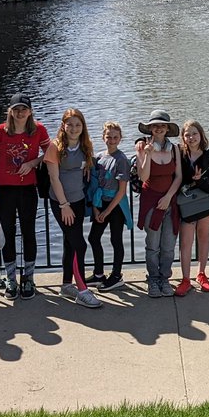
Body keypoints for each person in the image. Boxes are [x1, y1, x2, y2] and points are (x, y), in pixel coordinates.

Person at [0, 94, 50, 300]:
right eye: (16, 109)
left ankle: (28, 278)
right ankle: (11, 279)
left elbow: (52, 152)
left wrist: (32, 163)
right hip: (4, 190)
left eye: (24, 109)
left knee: (29, 232)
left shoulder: (38, 130)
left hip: (28, 188)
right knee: (8, 234)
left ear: (30, 111)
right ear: (10, 111)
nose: (20, 113)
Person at [44, 108, 101, 307]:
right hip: (61, 202)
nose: (74, 128)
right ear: (63, 126)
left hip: (78, 201)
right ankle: (83, 290)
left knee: (70, 242)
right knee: (80, 244)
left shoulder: (86, 147)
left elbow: (88, 169)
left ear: (83, 127)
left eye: (78, 125)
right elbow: (54, 178)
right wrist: (64, 205)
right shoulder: (55, 148)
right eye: (70, 125)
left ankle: (67, 284)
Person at [136, 110, 182, 298]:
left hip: (170, 202)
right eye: (155, 125)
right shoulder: (142, 147)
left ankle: (165, 278)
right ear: (150, 129)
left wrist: (169, 197)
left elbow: (178, 176)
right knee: (152, 244)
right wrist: (147, 155)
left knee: (169, 245)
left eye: (162, 125)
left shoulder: (175, 149)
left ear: (168, 129)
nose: (159, 128)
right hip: (150, 202)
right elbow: (143, 177)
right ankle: (153, 279)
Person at [176, 119, 209, 296]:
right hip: (186, 206)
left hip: (204, 204)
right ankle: (185, 279)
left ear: (201, 135)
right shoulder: (179, 154)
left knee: (204, 238)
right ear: (183, 137)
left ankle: (201, 274)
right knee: (186, 242)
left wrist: (200, 180)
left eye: (194, 133)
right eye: (187, 134)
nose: (191, 137)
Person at [86, 121, 132, 293]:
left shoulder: (122, 160)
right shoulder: (98, 158)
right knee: (93, 238)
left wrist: (107, 211)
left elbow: (121, 191)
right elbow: (94, 185)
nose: (112, 140)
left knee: (115, 239)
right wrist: (97, 209)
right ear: (103, 137)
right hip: (101, 202)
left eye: (115, 137)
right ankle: (98, 274)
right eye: (109, 137)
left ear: (120, 138)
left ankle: (116, 275)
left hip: (116, 205)